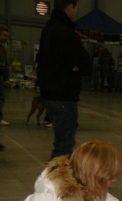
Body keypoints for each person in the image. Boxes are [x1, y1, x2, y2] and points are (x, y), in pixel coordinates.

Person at [37, 0, 93, 159]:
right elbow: (85, 64)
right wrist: (74, 67)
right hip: (64, 96)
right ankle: (55, 181)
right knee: (63, 147)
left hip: (49, 93)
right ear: (70, 7)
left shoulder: (48, 28)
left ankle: (56, 179)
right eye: (76, 8)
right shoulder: (66, 33)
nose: (76, 12)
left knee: (62, 143)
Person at [0, 26, 11, 126]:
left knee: (1, 97)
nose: (6, 38)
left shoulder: (3, 48)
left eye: (7, 36)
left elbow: (5, 64)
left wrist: (7, 78)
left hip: (1, 76)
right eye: (4, 35)